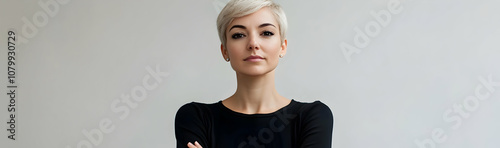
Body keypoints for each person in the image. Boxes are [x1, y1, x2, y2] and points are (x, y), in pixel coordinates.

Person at [175, 0, 333, 147]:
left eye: (266, 33)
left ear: (282, 47)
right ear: (225, 51)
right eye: (239, 35)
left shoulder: (313, 117)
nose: (253, 44)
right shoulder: (195, 118)